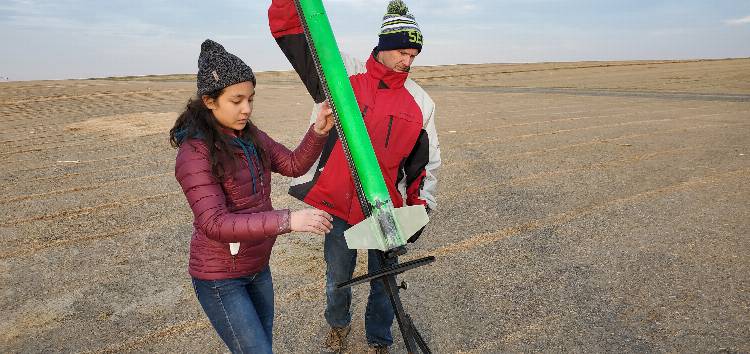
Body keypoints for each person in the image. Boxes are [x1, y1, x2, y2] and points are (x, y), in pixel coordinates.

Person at [268, 0, 441, 352]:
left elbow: (424, 165)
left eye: (413, 55)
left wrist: (420, 206)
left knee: (386, 283)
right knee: (337, 278)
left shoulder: (421, 102)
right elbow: (294, 35)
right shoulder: (343, 76)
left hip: (386, 209)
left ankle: (379, 339)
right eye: (402, 53)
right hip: (338, 205)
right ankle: (339, 325)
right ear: (384, 46)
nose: (407, 62)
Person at [170, 39, 336, 354]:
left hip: (258, 268)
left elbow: (292, 164)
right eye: (236, 100)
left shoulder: (251, 136)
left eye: (250, 99)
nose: (246, 108)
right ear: (209, 100)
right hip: (221, 280)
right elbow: (214, 223)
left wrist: (318, 131)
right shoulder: (195, 152)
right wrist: (289, 220)